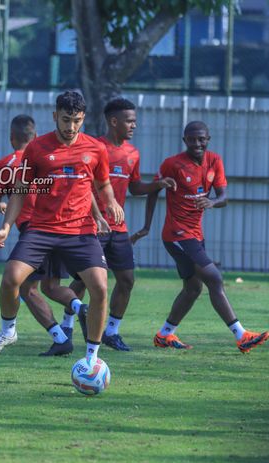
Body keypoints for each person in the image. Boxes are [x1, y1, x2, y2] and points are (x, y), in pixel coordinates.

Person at [0, 91, 124, 364]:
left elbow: (102, 183)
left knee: (100, 287)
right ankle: (8, 331)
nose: (71, 127)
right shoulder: (37, 149)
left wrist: (111, 203)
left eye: (77, 120)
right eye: (65, 119)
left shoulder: (95, 148)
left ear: (83, 119)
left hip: (81, 232)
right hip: (42, 229)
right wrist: (6, 227)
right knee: (11, 278)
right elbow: (20, 191)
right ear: (54, 117)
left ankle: (91, 358)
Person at [133, 120, 269, 353]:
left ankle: (164, 335)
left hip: (195, 235)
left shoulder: (214, 161)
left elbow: (223, 196)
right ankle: (241, 335)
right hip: (176, 234)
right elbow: (154, 190)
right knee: (214, 279)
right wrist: (146, 226)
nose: (197, 143)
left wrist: (213, 201)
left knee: (193, 289)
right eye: (192, 139)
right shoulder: (172, 164)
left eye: (201, 139)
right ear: (184, 140)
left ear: (208, 139)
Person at [68, 98, 176, 351]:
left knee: (126, 280)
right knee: (85, 281)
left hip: (119, 228)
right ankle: (67, 325)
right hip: (91, 226)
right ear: (113, 121)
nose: (133, 126)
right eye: (129, 121)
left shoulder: (132, 153)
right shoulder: (94, 147)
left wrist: (157, 185)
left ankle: (112, 332)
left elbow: (135, 186)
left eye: (135, 121)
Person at [0, 114, 89, 356]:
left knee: (26, 289)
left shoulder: (4, 165)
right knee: (51, 287)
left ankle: (50, 334)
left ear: (12, 138)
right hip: (60, 227)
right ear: (34, 136)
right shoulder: (47, 157)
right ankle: (78, 308)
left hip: (34, 233)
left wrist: (3, 209)